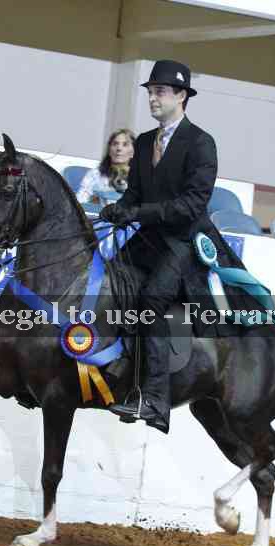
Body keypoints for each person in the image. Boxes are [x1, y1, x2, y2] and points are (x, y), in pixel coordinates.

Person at [100, 60, 245, 435]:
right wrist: (119, 208)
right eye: (150, 92)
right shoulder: (144, 142)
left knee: (151, 299)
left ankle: (155, 400)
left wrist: (138, 212)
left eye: (160, 92)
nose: (152, 98)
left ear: (181, 96)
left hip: (183, 242)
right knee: (107, 281)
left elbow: (191, 205)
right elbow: (135, 193)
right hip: (148, 239)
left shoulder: (200, 143)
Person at [76, 129, 135, 206]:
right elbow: (79, 202)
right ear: (109, 151)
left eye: (125, 145)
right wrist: (91, 201)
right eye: (115, 144)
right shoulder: (95, 174)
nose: (119, 148)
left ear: (133, 152)